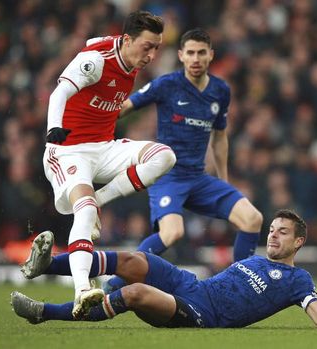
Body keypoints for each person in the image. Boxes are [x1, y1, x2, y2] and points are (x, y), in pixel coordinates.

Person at [27, 10, 177, 319]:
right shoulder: (96, 60)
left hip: (104, 148)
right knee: (84, 208)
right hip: (67, 151)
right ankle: (82, 289)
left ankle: (100, 199)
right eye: (147, 46)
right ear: (127, 40)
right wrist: (53, 128)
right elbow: (60, 92)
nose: (151, 55)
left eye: (156, 48)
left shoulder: (130, 58)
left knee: (164, 156)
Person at [11, 209, 317, 329]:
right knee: (133, 260)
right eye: (271, 230)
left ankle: (46, 313)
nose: (273, 236)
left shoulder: (298, 280)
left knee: (135, 293)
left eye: (282, 233)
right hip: (192, 285)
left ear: (299, 242)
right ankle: (46, 264)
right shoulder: (254, 259)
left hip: (203, 313)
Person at [104, 28, 263, 291]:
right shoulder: (167, 85)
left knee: (252, 219)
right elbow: (124, 109)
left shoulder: (220, 91)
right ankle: (116, 282)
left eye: (201, 52)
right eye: (190, 53)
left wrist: (223, 181)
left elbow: (220, 137)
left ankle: (240, 287)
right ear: (181, 55)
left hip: (198, 178)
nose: (196, 58)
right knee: (172, 232)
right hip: (167, 175)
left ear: (211, 55)